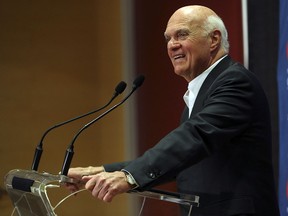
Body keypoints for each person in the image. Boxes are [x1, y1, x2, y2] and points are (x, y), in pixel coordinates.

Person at [66, 5, 280, 216]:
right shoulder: (203, 91)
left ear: (214, 39)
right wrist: (101, 171)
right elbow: (184, 161)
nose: (172, 45)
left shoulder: (235, 82)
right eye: (168, 38)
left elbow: (195, 137)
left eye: (182, 35)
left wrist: (130, 176)